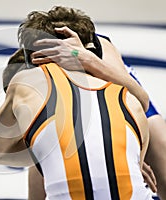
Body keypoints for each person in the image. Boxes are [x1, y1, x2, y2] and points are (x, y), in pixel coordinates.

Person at [0, 7, 153, 199]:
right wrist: (87, 60)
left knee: (43, 141)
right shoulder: (128, 98)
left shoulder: (27, 80)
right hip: (124, 105)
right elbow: (142, 102)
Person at [29, 6, 165, 199]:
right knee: (43, 157)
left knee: (162, 150)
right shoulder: (34, 60)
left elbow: (140, 101)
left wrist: (86, 59)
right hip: (72, 115)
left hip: (127, 105)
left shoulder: (99, 47)